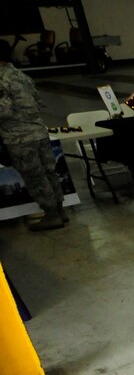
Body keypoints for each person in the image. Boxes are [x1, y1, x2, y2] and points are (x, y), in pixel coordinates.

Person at [0, 39, 67, 231]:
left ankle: (52, 214)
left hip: (19, 137)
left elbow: (4, 111)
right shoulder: (21, 75)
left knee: (35, 177)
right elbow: (37, 102)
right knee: (49, 172)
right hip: (38, 132)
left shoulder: (1, 79)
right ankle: (60, 211)